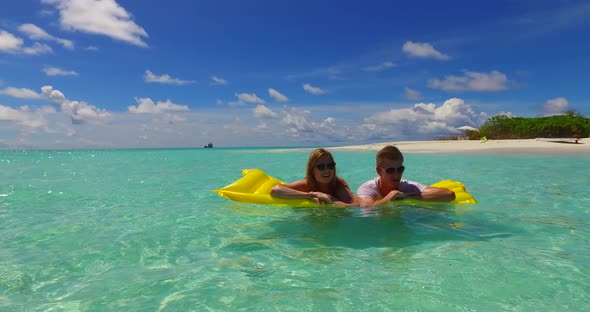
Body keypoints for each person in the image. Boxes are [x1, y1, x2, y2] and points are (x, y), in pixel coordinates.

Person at [356, 145, 455, 207]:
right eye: (390, 170)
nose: (396, 174)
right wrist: (390, 197)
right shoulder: (368, 188)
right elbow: (367, 209)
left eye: (400, 169)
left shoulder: (408, 186)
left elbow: (449, 194)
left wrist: (406, 197)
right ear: (379, 171)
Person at [270, 148, 357, 207]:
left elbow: (354, 206)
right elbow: (275, 190)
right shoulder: (307, 184)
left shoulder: (337, 185)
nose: (327, 170)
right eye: (321, 167)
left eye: (330, 166)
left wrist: (330, 199)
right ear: (312, 170)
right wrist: (309, 195)